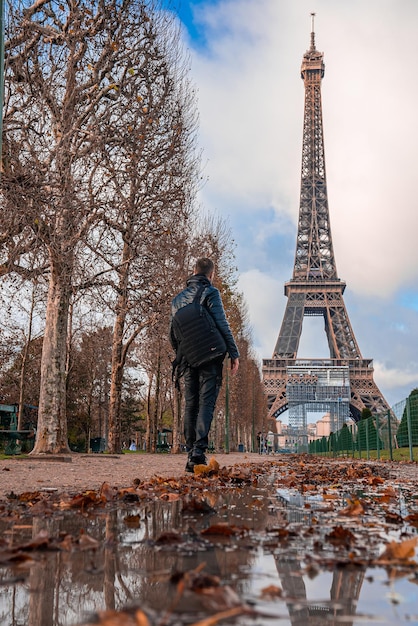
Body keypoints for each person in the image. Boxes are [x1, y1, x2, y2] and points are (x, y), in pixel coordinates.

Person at [169, 258, 240, 472]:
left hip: (188, 357)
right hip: (210, 356)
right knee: (206, 403)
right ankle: (198, 452)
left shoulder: (177, 300)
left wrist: (182, 354)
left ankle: (191, 452)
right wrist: (234, 354)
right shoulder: (211, 293)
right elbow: (221, 324)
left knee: (191, 404)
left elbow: (173, 334)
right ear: (212, 274)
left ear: (193, 271)